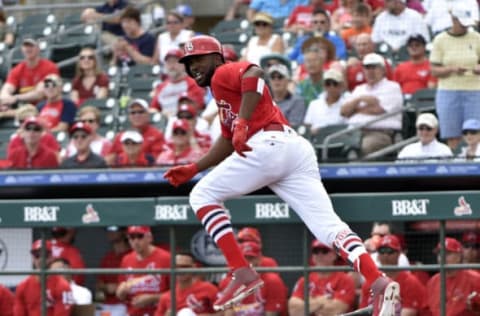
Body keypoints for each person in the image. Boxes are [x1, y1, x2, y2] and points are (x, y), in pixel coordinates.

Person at [164, 35, 400, 314]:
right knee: (328, 228)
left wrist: (242, 122)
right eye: (188, 63)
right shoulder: (222, 93)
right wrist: (194, 167)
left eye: (198, 59)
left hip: (269, 146)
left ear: (217, 57)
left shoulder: (222, 74)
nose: (193, 67)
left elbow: (255, 73)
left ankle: (241, 271)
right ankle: (377, 280)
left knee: (202, 195)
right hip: (293, 150)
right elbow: (227, 141)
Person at [430, 5, 480, 150]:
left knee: (475, 131)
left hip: (475, 90)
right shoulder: (440, 40)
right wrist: (451, 69)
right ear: (453, 19)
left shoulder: (477, 38)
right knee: (452, 134)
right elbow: (434, 70)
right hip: (448, 91)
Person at [341, 53, 403, 156]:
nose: (370, 71)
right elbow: (344, 112)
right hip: (354, 132)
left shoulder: (392, 87)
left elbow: (378, 110)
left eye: (374, 67)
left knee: (367, 146)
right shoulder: (359, 90)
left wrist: (355, 109)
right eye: (367, 68)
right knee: (333, 146)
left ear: (383, 70)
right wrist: (360, 99)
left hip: (380, 132)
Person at [359, 235, 428, 316]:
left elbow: (408, 313)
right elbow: (362, 312)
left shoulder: (410, 282)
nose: (385, 255)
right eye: (382, 251)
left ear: (399, 254)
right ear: (377, 254)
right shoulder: (369, 282)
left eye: (390, 251)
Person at [220, 241, 288, 316]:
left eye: (251, 258)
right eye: (244, 258)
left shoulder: (272, 281)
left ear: (259, 259)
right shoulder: (228, 283)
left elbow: (271, 314)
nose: (248, 263)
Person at [289, 240, 356, 316]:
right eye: (316, 251)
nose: (319, 255)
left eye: (325, 251)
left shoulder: (345, 279)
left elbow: (336, 310)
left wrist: (309, 302)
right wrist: (322, 301)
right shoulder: (304, 280)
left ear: (335, 255)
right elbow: (294, 311)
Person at [116, 225, 171, 316]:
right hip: (134, 312)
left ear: (150, 238)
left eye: (140, 236)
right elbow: (121, 295)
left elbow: (178, 292)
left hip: (159, 312)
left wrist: (153, 298)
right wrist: (121, 291)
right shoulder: (126, 259)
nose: (136, 241)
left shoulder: (166, 258)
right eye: (132, 237)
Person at [14, 239, 73, 316]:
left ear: (52, 257)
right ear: (33, 258)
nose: (41, 259)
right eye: (37, 255)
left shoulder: (62, 286)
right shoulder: (23, 286)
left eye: (45, 255)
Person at [0, 36, 59, 110]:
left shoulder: (50, 67)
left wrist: (16, 98)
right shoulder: (17, 70)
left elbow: (40, 93)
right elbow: (6, 89)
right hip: (24, 108)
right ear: (22, 49)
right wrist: (5, 99)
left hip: (45, 107)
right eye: (25, 46)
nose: (28, 49)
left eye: (31, 46)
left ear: (38, 48)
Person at [426, 237, 480, 316]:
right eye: (439, 254)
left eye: (447, 254)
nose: (442, 257)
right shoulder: (432, 281)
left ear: (458, 257)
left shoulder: (474, 278)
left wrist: (475, 308)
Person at [106, 98, 165, 165]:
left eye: (141, 112)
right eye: (133, 113)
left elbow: (159, 160)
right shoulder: (120, 136)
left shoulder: (156, 135)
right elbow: (109, 159)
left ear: (148, 114)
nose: (137, 115)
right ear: (129, 116)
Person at [150, 48, 205, 116]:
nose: (172, 65)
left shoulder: (193, 84)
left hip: (185, 119)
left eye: (175, 61)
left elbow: (199, 106)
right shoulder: (161, 86)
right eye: (169, 62)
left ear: (184, 65)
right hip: (164, 121)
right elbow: (153, 108)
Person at [96, 226, 130, 316]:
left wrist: (119, 287)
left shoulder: (131, 256)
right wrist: (106, 287)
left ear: (124, 232)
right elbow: (98, 284)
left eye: (113, 229)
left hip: (126, 303)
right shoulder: (107, 257)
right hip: (107, 304)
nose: (110, 232)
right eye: (108, 229)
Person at [304, 68, 349, 133]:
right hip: (316, 140)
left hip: (339, 140)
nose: (331, 87)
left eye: (335, 83)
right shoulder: (314, 104)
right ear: (323, 85)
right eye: (328, 84)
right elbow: (307, 126)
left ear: (341, 85)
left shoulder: (347, 104)